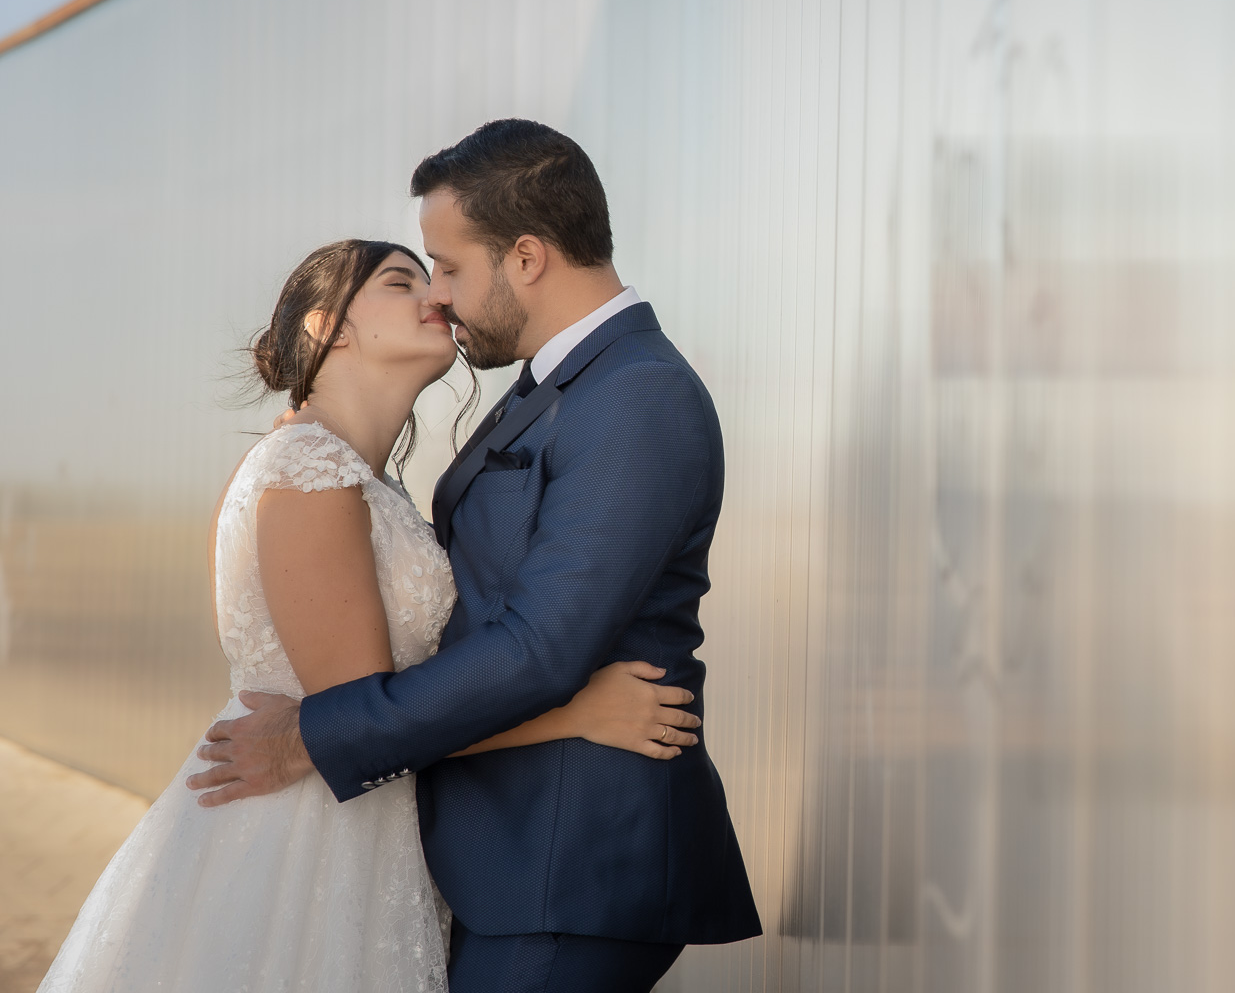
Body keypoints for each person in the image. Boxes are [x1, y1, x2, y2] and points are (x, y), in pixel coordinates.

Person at [189, 120, 762, 992]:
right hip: (502, 855)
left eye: (448, 267)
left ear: (526, 258)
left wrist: (311, 738)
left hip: (570, 861)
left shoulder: (636, 394)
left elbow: (539, 648)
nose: (440, 298)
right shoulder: (551, 387)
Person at [41, 238, 701, 992]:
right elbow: (360, 712)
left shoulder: (360, 481)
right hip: (304, 838)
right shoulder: (307, 474)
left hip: (362, 822)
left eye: (437, 277)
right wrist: (580, 712)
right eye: (402, 281)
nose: (438, 298)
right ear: (329, 328)